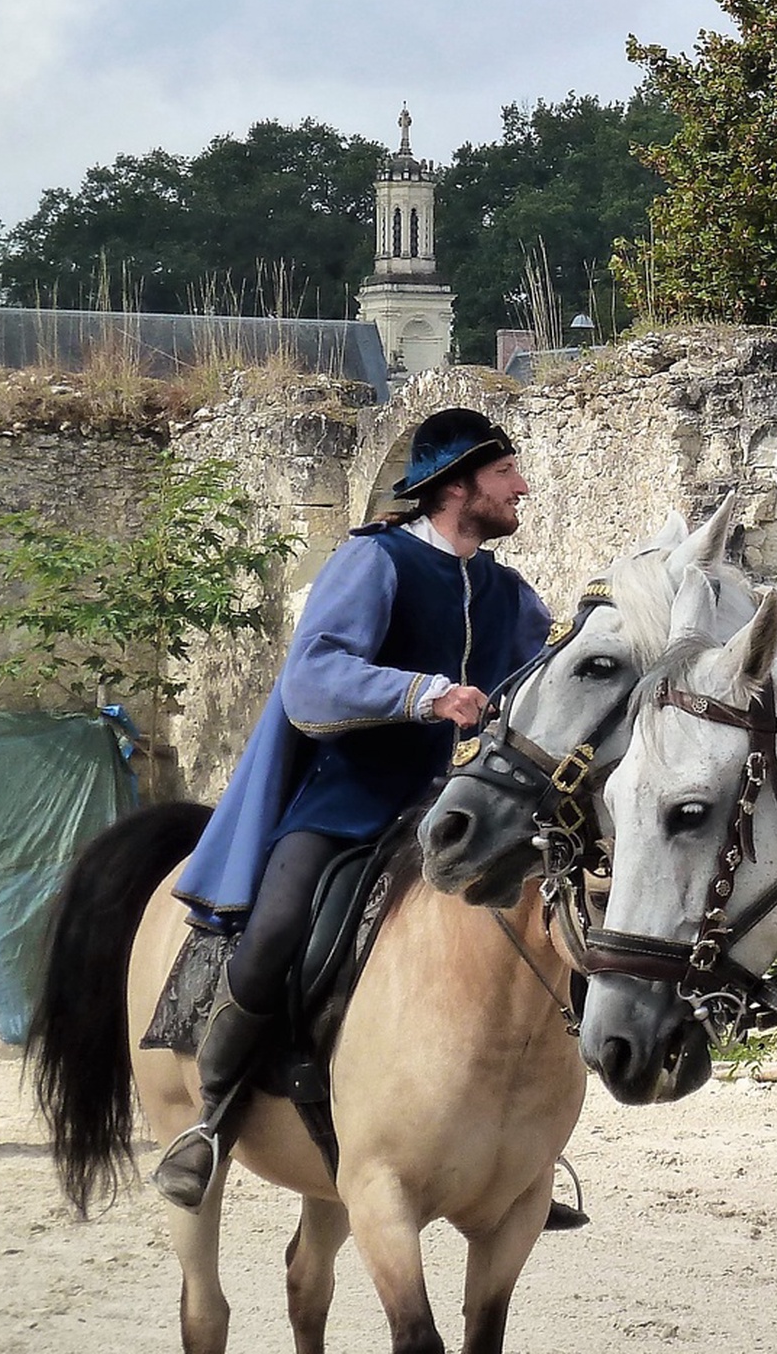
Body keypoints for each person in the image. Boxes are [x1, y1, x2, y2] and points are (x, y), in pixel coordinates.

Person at [153, 408, 552, 1210]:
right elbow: (314, 678)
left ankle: (521, 1148)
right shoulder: (377, 561)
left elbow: (549, 685)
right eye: (507, 472)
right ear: (456, 485)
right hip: (353, 802)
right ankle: (213, 1117)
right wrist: (425, 694)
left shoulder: (511, 594)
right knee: (269, 937)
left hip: (468, 813)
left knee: (557, 931)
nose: (523, 487)